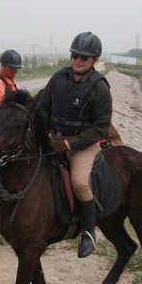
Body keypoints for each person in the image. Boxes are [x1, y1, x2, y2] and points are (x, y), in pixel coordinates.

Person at [36, 32, 112, 259]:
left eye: (84, 57)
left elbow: (100, 127)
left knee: (79, 183)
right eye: (75, 55)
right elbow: (43, 106)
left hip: (82, 145)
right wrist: (45, 133)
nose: (78, 60)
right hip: (55, 138)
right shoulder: (58, 78)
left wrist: (70, 143)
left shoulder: (99, 87)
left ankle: (88, 233)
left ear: (94, 60)